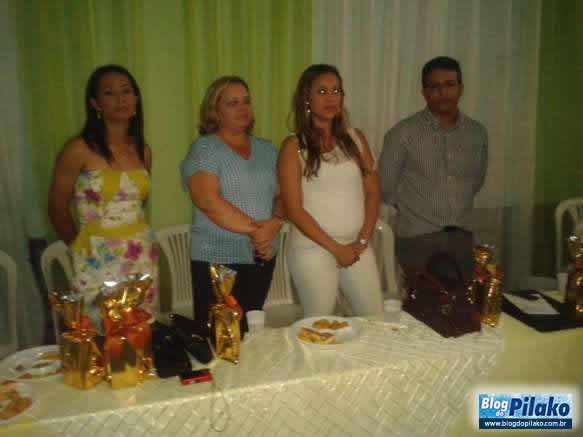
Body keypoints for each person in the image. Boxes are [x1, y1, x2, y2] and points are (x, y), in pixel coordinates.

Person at [48, 65, 159, 328]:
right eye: (109, 93)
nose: (121, 99)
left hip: (140, 255)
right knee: (99, 332)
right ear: (96, 104)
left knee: (139, 331)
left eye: (126, 91)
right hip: (97, 258)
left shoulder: (142, 150)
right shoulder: (78, 149)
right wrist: (80, 248)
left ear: (136, 99)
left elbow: (137, 203)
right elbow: (57, 208)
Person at [278, 64, 384, 317]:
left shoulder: (356, 138)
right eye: (322, 91)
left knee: (375, 319)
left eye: (336, 91)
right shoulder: (293, 146)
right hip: (312, 250)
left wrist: (362, 241)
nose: (331, 98)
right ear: (306, 98)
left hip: (357, 247)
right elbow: (293, 210)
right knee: (320, 325)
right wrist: (336, 249)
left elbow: (372, 192)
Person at [180, 76, 283, 333]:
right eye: (232, 103)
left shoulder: (268, 150)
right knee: (219, 339)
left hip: (262, 257)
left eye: (246, 101)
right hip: (217, 260)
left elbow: (282, 197)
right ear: (215, 111)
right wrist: (258, 232)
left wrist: (275, 223)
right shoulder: (205, 148)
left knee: (250, 334)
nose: (242, 107)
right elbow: (208, 201)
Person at [378, 56, 488, 283]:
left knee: (462, 302)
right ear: (424, 92)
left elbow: (477, 180)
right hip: (418, 239)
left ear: (461, 89)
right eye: (434, 87)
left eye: (449, 84)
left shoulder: (477, 133)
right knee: (421, 303)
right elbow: (385, 186)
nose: (443, 92)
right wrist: (415, 208)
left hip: (462, 237)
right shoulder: (402, 134)